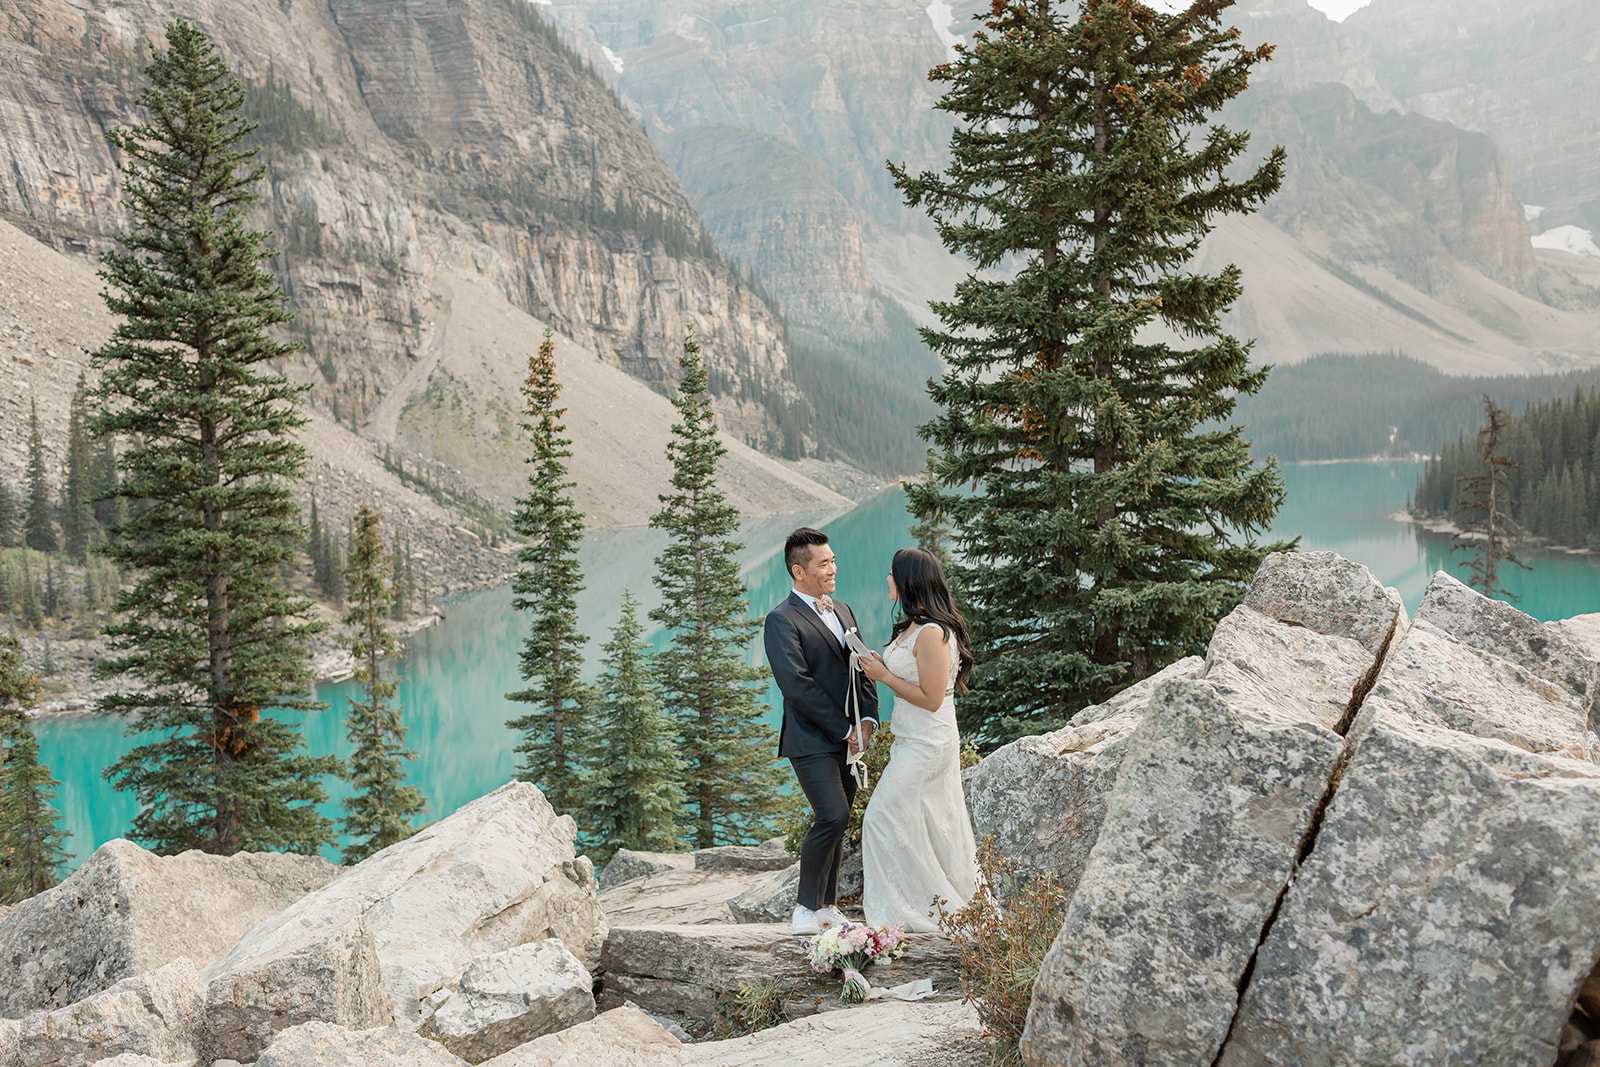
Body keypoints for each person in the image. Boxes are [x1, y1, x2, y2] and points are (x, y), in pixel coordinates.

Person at [764, 527, 879, 936]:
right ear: (799, 571)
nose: (833, 568)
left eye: (832, 560)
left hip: (849, 736)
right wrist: (843, 726)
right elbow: (796, 685)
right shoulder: (780, 619)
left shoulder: (843, 610)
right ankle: (804, 907)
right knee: (831, 814)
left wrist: (868, 720)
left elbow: (862, 668)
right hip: (810, 737)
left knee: (842, 818)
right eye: (824, 563)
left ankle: (828, 907)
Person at [858, 547, 978, 932]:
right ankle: (922, 903)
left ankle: (907, 911)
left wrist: (883, 676)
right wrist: (881, 662)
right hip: (911, 740)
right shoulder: (913, 626)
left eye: (893, 574)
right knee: (921, 822)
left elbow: (930, 698)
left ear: (909, 581)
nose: (888, 580)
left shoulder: (932, 633)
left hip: (929, 742)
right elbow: (910, 673)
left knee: (880, 817)